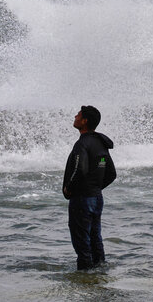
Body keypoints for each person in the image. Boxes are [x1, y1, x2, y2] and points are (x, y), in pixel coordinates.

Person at [62, 105, 116, 271]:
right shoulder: (100, 143)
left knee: (82, 242)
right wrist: (95, 187)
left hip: (82, 199)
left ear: (84, 121)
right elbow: (111, 173)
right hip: (96, 198)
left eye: (78, 115)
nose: (75, 116)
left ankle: (85, 278)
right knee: (95, 238)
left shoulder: (82, 144)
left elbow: (80, 169)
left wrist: (69, 188)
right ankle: (99, 273)